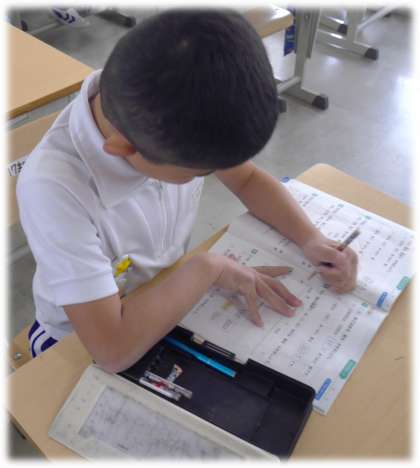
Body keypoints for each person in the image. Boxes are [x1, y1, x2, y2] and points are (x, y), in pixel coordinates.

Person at [17, 9, 357, 372]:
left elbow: (247, 180)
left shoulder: (167, 103)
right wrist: (207, 267)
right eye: (200, 173)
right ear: (123, 148)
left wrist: (310, 238)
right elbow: (111, 350)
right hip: (78, 340)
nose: (214, 174)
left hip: (167, 291)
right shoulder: (54, 191)